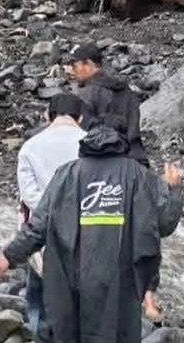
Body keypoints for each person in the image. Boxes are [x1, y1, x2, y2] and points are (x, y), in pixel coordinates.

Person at [0, 115, 184, 343]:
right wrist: (173, 190)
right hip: (121, 285)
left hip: (71, 281)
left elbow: (39, 226)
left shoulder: (66, 174)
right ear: (124, 141)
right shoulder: (140, 176)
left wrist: (8, 256)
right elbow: (164, 224)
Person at [69, 43, 163, 319]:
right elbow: (134, 129)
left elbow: (86, 134)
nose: (73, 72)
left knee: (101, 227)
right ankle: (148, 297)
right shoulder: (127, 92)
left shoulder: (87, 93)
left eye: (75, 66)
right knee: (143, 229)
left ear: (88, 64)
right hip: (137, 162)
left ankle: (103, 293)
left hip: (106, 166)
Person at [17, 94, 86, 340]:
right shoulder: (90, 143)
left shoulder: (30, 147)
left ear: (48, 115)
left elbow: (28, 196)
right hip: (84, 232)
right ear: (80, 118)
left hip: (42, 233)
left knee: (39, 298)